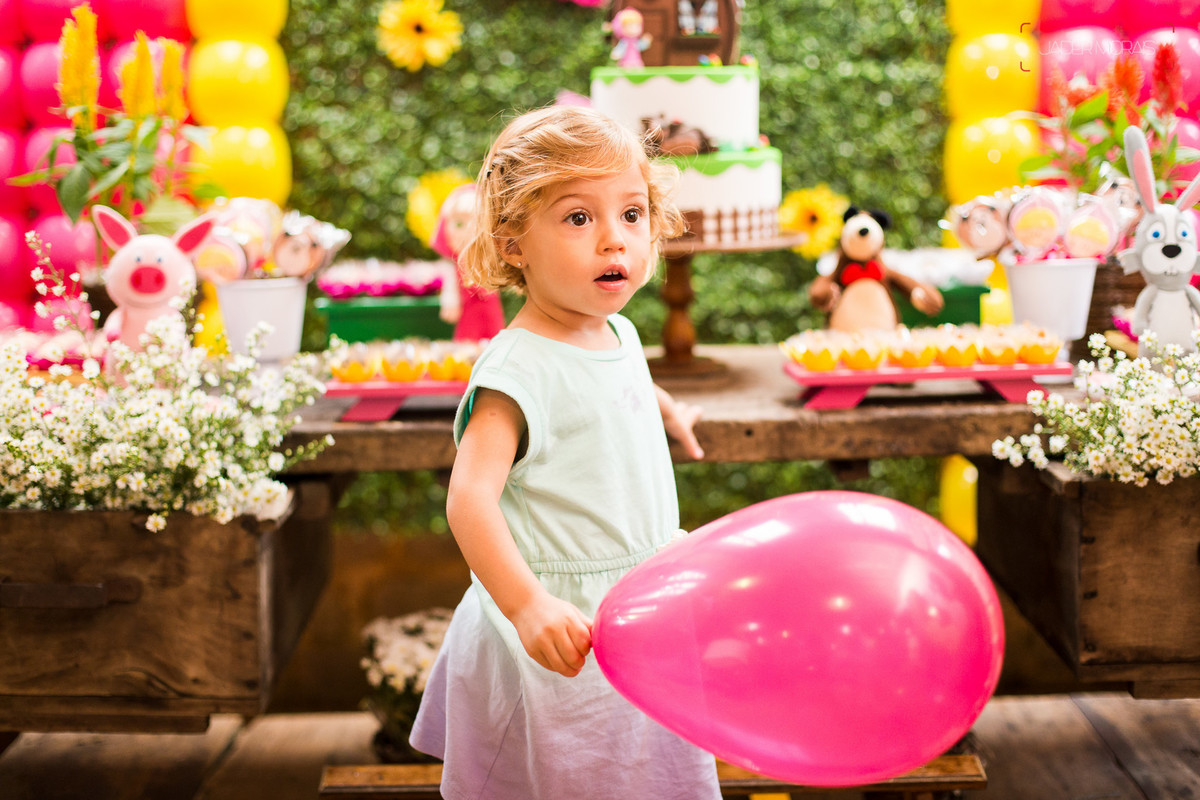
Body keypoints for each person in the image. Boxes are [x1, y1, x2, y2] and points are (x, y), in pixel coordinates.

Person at [410, 105, 720, 800]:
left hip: (633, 609)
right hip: (558, 628)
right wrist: (526, 607)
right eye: (579, 218)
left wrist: (667, 409)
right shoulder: (516, 370)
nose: (615, 240)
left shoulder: (617, 333)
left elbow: (617, 384)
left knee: (638, 777)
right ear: (514, 240)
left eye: (632, 214)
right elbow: (469, 498)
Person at [432, 183, 506, 341]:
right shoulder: (457, 265)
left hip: (491, 313)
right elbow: (451, 284)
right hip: (468, 315)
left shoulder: (488, 258)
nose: (468, 230)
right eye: (459, 224)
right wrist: (450, 297)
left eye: (477, 222)